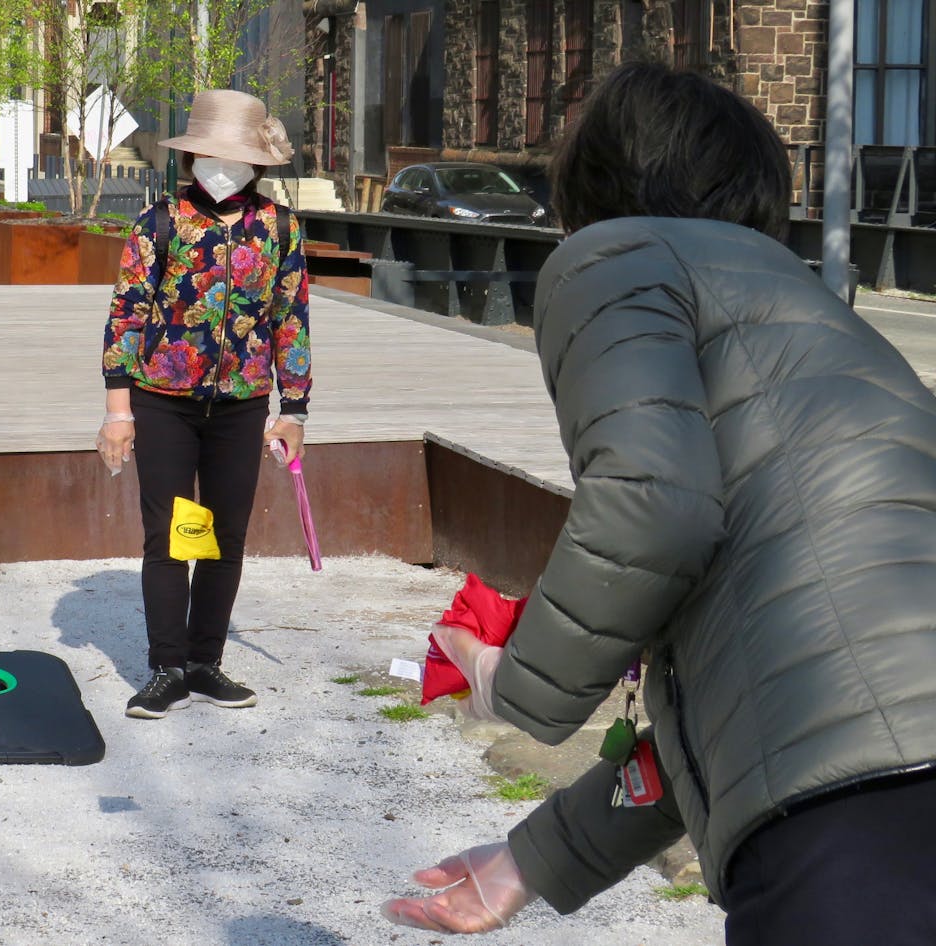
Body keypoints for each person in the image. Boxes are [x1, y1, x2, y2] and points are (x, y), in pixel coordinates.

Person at [382, 62, 936, 943]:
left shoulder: (620, 255)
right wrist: (527, 862)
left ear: (596, 180)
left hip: (848, 823)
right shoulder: (833, 335)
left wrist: (513, 685)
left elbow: (654, 507)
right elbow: (760, 707)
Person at [98, 89, 312, 719]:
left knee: (224, 536)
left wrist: (293, 410)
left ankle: (204, 660)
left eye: (234, 157)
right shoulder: (159, 223)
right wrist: (118, 413)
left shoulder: (279, 228)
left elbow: (291, 320)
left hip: (243, 406)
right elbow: (126, 316)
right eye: (209, 155)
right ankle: (165, 667)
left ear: (256, 163)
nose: (221, 168)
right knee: (168, 536)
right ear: (190, 157)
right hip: (163, 400)